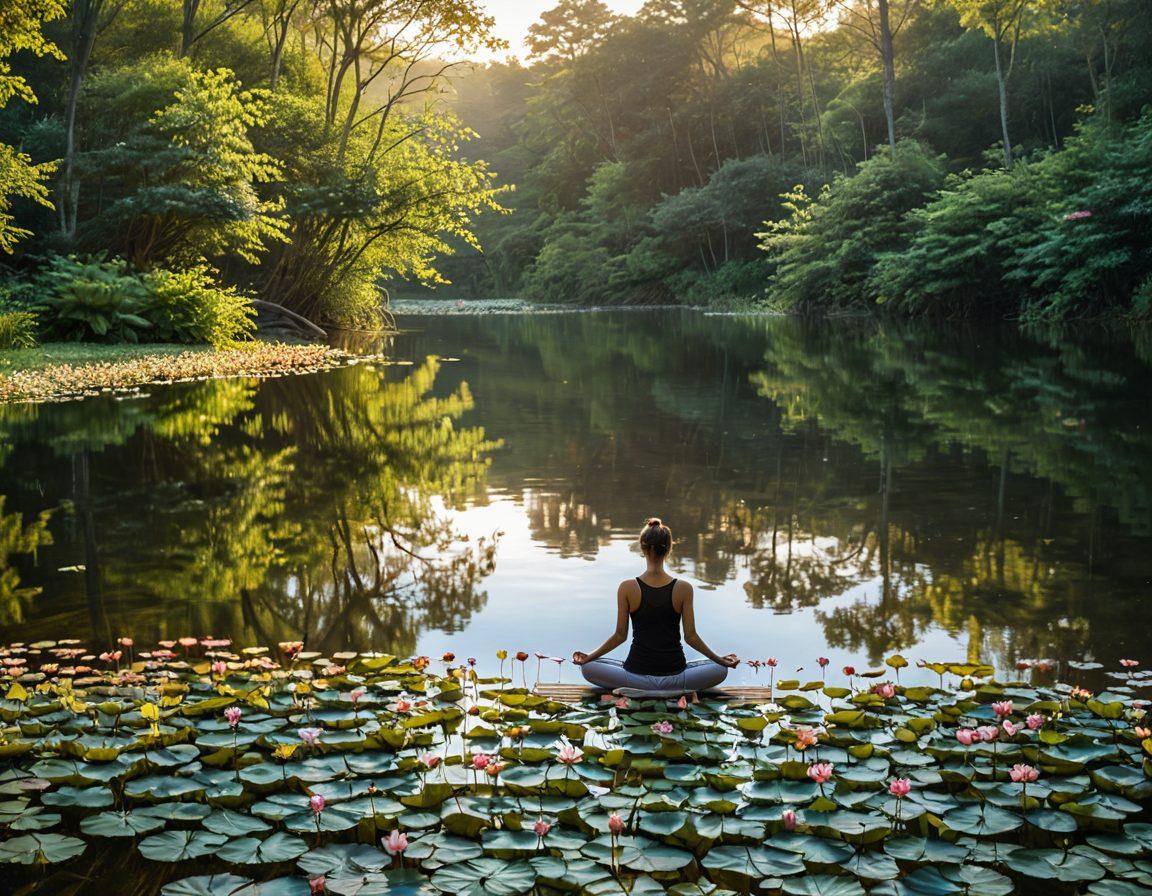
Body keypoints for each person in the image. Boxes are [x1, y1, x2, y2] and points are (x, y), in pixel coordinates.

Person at [572, 518, 739, 694]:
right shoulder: (683, 588)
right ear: (669, 548)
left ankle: (642, 690)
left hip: (634, 677)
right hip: (676, 677)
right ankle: (670, 691)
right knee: (721, 670)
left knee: (588, 667)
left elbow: (620, 636)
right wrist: (719, 660)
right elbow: (691, 637)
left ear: (643, 547)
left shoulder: (627, 588)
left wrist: (589, 657)